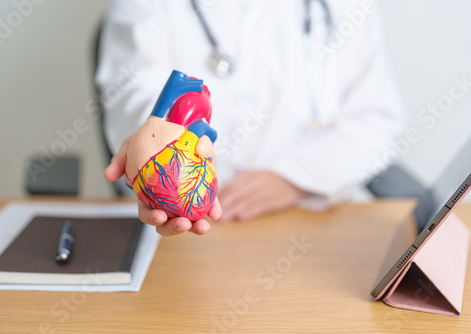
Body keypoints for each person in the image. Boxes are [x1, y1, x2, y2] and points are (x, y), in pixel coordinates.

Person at [98, 0, 406, 236]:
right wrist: (157, 143)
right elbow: (134, 90)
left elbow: (376, 118)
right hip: (186, 234)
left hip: (313, 224)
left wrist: (293, 178)